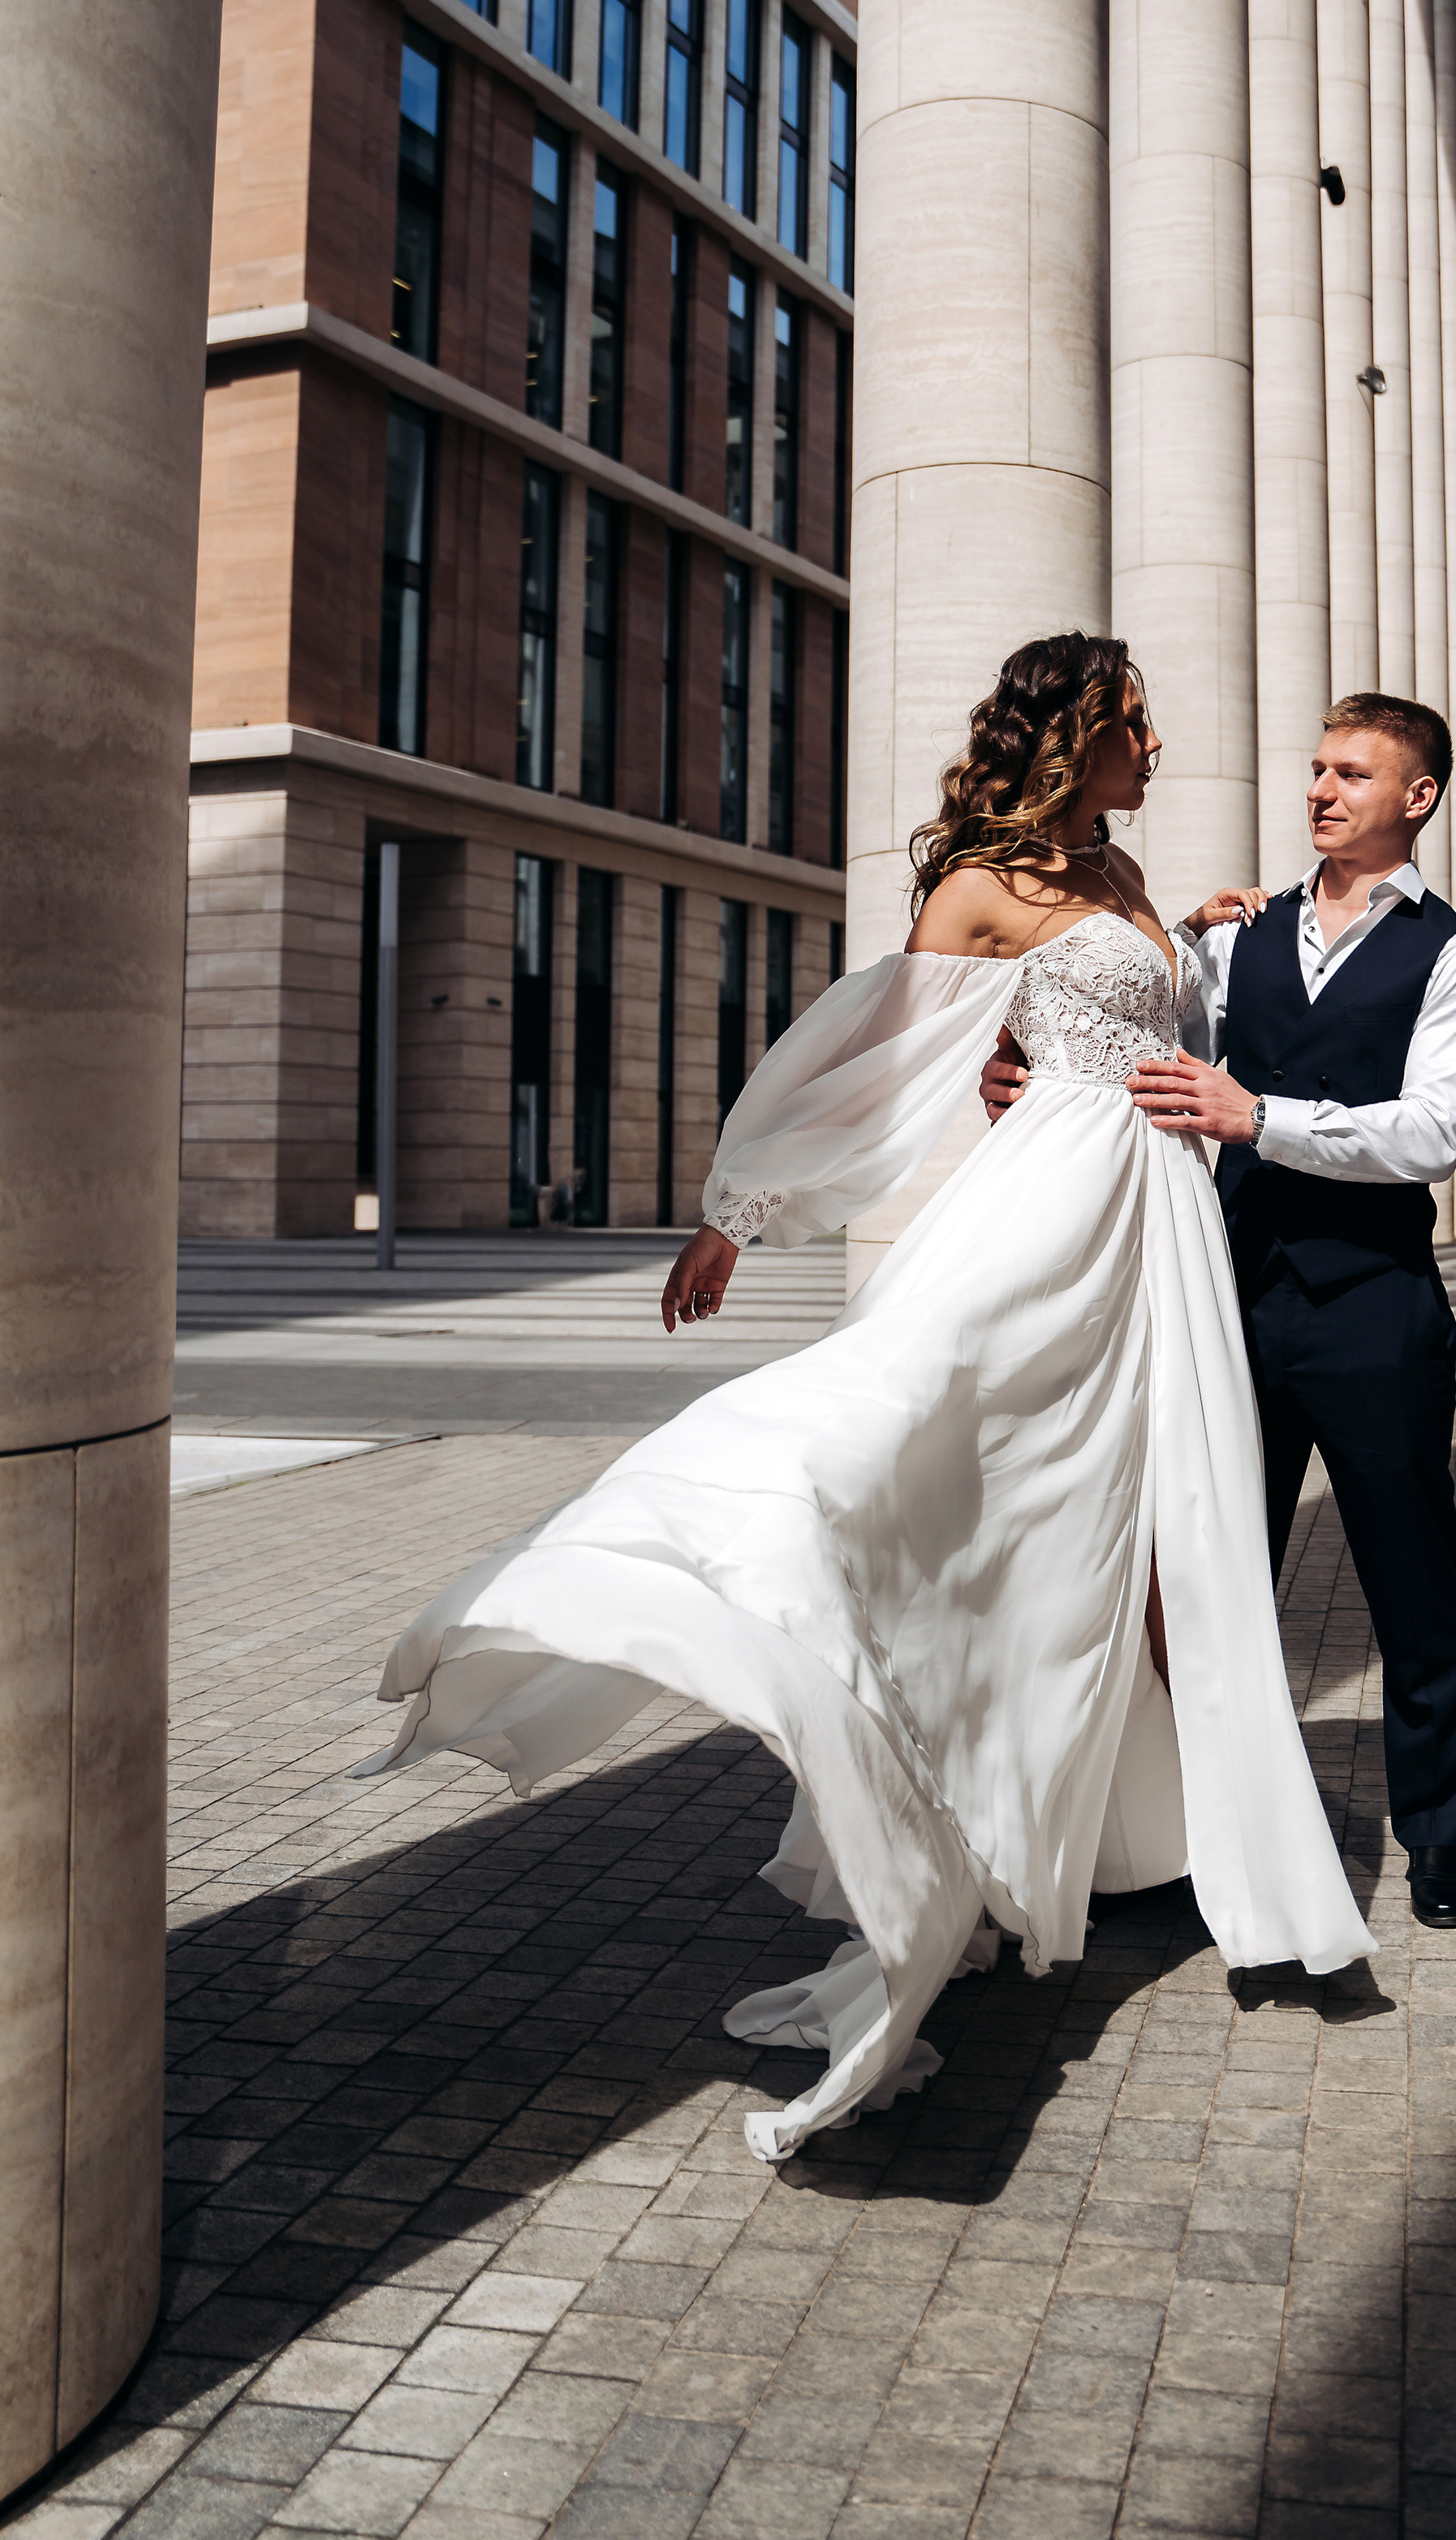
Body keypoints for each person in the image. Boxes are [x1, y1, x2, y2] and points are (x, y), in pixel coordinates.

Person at [359, 634, 1373, 2164]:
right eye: (1135, 726)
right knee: (886, 1439)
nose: (1155, 748)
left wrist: (1200, 942)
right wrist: (738, 1216)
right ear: (1074, 731)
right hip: (1050, 1220)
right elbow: (877, 1067)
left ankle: (1143, 1842)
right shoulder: (979, 885)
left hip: (1160, 1228)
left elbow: (1157, 1035)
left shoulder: (1123, 873)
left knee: (1159, 1534)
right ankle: (683, 1573)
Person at [985, 693, 1456, 1930]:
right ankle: (1192, 1839)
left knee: (1412, 1584)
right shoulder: (1232, 940)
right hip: (1227, 1297)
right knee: (1209, 1583)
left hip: (1377, 1312)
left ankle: (1440, 1840)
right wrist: (1025, 1081)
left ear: (1414, 799)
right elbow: (1146, 1063)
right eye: (1316, 770)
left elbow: (1431, 1132)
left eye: (1352, 774)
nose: (1319, 791)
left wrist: (1258, 1119)